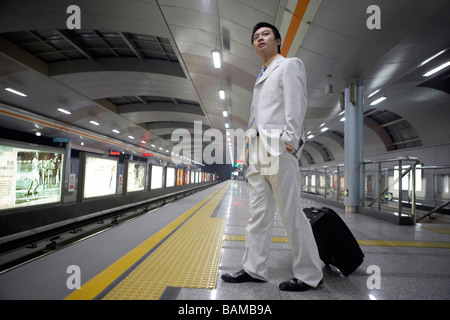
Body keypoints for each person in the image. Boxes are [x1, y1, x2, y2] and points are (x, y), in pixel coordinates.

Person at [221, 22, 323, 291]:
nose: (259, 39)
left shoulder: (289, 65)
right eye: (255, 36)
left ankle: (310, 273)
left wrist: (290, 142)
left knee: (291, 214)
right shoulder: (260, 76)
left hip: (278, 149)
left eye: (265, 34)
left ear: (278, 41)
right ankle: (254, 268)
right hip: (257, 151)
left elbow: (296, 104)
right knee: (258, 214)